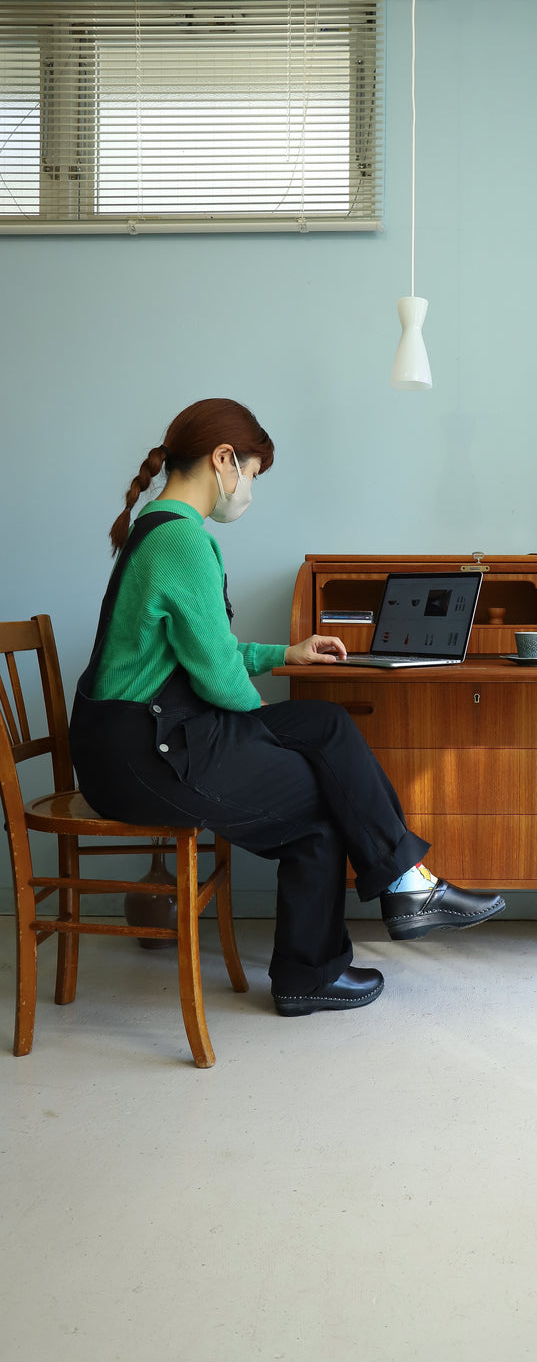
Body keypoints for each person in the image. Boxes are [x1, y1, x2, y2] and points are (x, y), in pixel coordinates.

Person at [69, 397, 504, 1016]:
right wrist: (259, 736)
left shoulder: (159, 528)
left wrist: (285, 653)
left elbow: (204, 651)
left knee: (325, 723)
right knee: (325, 793)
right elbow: (217, 676)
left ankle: (401, 891)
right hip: (143, 755)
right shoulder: (182, 541)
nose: (249, 490)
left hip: (140, 739)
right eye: (251, 474)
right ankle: (329, 957)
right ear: (223, 460)